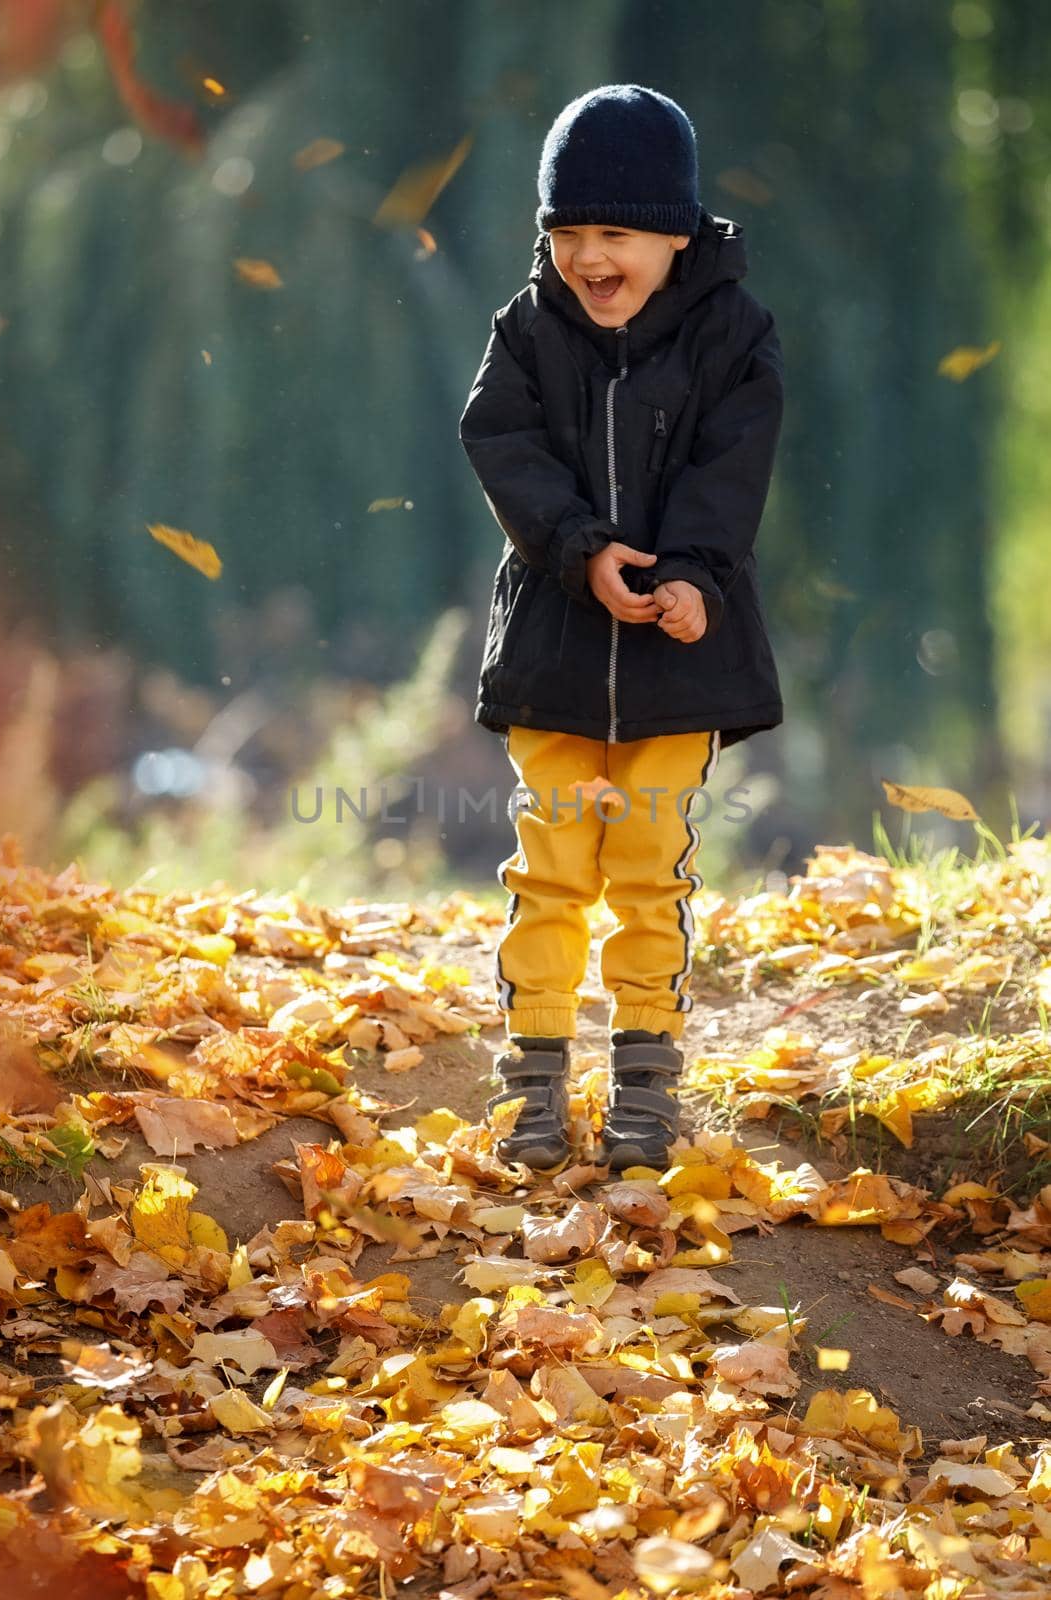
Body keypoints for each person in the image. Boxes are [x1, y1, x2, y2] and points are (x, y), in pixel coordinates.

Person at [458, 83, 785, 1172]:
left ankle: (645, 1077)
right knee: (550, 868)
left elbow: (729, 465)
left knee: (649, 870)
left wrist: (691, 573)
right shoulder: (527, 328)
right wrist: (576, 548)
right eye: (566, 234)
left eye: (614, 234)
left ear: (674, 232)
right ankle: (535, 1080)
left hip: (676, 664)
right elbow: (501, 442)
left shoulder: (731, 334)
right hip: (556, 651)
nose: (589, 258)